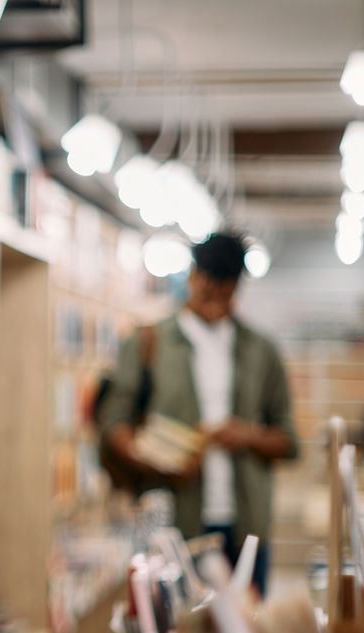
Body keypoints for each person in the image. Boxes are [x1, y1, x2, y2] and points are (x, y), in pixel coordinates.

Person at [99, 231, 297, 597]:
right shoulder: (147, 342)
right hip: (173, 528)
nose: (215, 306)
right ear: (192, 277)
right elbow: (114, 424)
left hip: (245, 529)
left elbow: (289, 440)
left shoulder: (261, 351)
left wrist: (246, 435)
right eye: (207, 292)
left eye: (226, 294)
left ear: (237, 288)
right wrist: (162, 461)